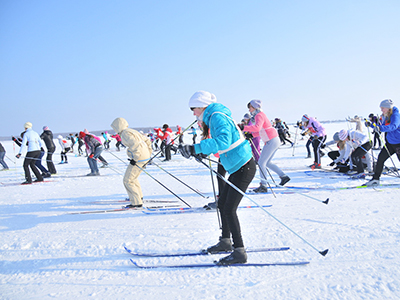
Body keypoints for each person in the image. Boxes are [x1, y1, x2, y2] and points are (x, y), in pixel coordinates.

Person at [179, 90, 256, 265]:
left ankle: (239, 252)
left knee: (229, 208)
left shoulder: (216, 117)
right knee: (222, 204)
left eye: (194, 108)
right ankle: (225, 242)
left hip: (244, 167)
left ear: (202, 106)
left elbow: (223, 142)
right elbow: (222, 145)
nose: (193, 113)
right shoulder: (213, 116)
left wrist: (196, 148)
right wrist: (200, 152)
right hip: (237, 166)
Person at [242, 100, 290, 192]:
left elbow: (257, 128)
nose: (249, 110)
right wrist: (252, 135)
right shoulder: (259, 115)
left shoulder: (259, 115)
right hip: (273, 140)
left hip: (271, 140)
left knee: (261, 163)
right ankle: (283, 177)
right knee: (267, 163)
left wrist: (243, 127)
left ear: (255, 107)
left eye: (250, 108)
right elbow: (262, 130)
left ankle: (263, 186)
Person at [111, 117, 153, 208]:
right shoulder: (131, 131)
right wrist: (148, 153)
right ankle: (138, 197)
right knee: (133, 178)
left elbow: (136, 145)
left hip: (139, 158)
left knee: (128, 180)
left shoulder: (125, 134)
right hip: (144, 157)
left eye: (115, 127)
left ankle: (136, 202)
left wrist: (136, 158)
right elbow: (147, 140)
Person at [363, 99, 400, 186]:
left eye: (383, 108)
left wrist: (381, 128)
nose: (381, 110)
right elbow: (382, 126)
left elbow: (393, 126)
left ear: (388, 108)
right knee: (380, 159)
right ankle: (375, 179)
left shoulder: (395, 115)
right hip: (390, 143)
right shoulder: (386, 115)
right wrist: (371, 125)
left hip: (398, 143)